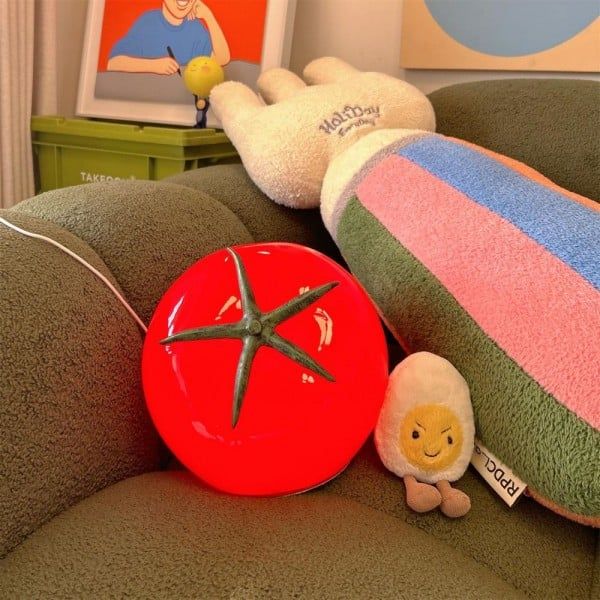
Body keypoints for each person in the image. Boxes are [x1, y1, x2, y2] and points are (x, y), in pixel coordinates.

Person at [107, 0, 230, 74]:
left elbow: (222, 59)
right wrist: (154, 66)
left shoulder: (195, 28)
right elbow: (113, 63)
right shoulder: (147, 23)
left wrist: (208, 16)